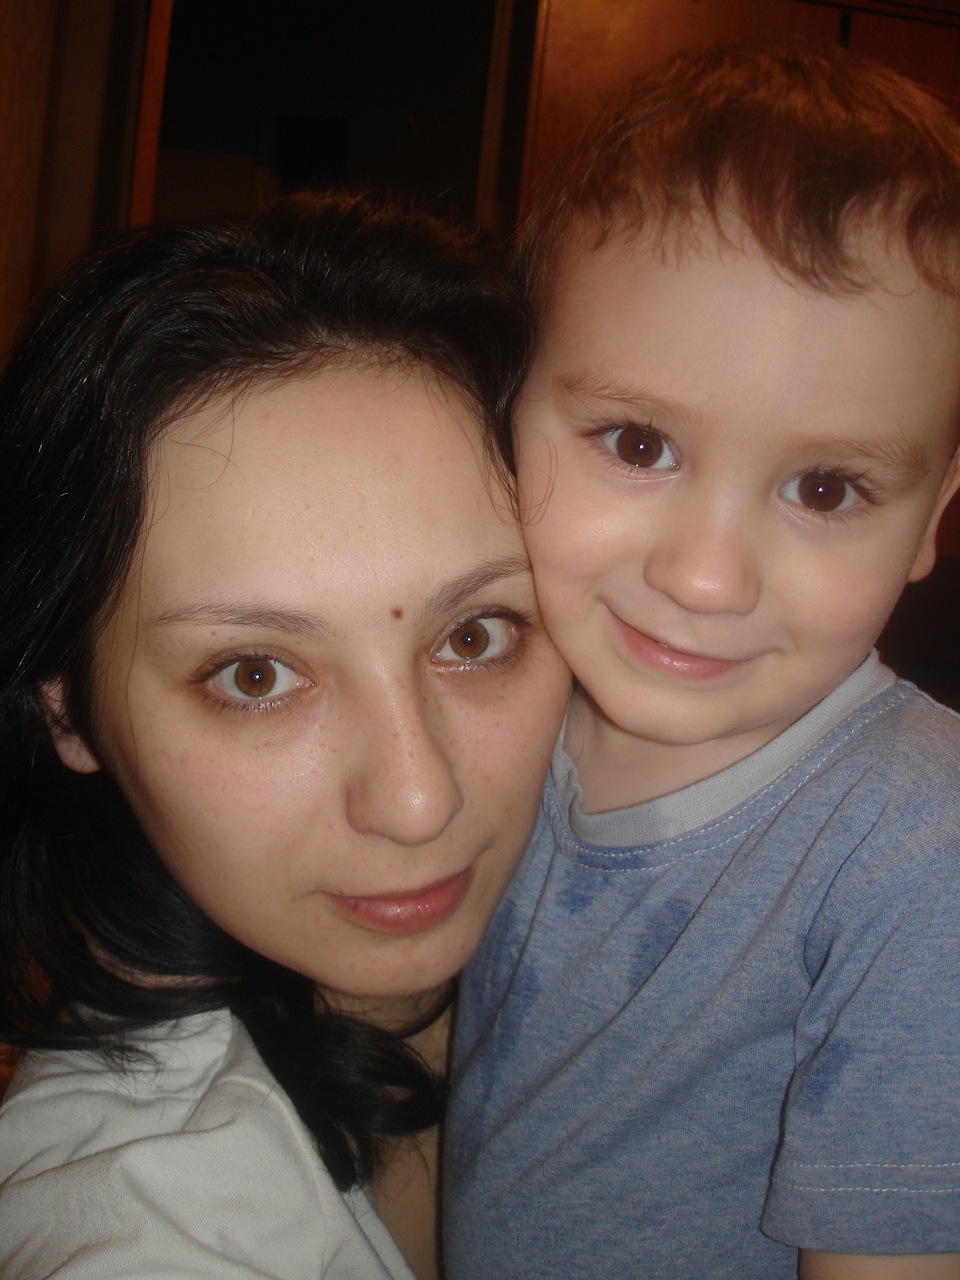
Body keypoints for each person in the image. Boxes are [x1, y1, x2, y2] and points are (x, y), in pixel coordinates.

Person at [444, 41, 960, 1280]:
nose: (707, 577)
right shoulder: (494, 710)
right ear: (505, 410)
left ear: (931, 521)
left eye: (825, 486)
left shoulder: (916, 849)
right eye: (638, 441)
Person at [0, 190, 571, 1279]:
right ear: (67, 703)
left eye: (475, 634)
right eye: (255, 675)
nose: (418, 801)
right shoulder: (140, 1219)